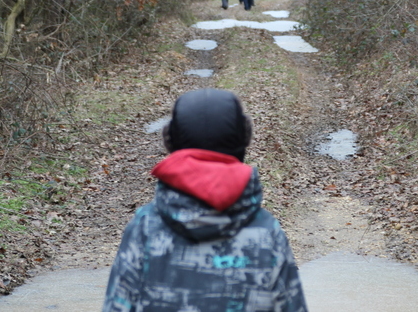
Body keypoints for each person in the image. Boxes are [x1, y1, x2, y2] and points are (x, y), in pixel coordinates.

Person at [102, 88, 307, 312]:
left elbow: (118, 305)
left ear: (169, 141)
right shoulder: (266, 230)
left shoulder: (145, 226)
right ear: (245, 139)